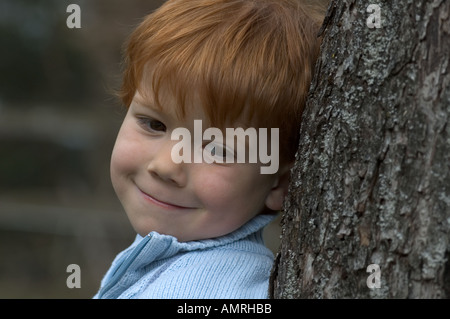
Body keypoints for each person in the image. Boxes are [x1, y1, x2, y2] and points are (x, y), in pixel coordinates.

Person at [94, 0, 324, 299]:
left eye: (216, 149)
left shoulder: (201, 291)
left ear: (280, 182)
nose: (166, 166)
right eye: (154, 124)